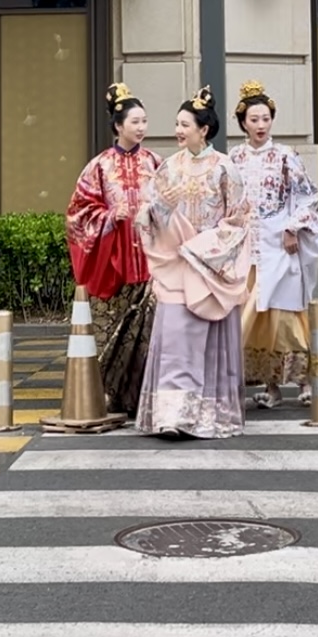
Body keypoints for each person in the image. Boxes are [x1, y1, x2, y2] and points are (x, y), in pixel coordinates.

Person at [135, 85, 251, 440]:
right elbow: (147, 214)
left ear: (204, 129)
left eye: (185, 125)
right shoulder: (169, 167)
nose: (178, 131)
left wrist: (205, 248)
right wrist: (160, 208)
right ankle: (171, 416)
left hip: (209, 265)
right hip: (176, 264)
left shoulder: (225, 168)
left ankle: (206, 415)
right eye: (177, 124)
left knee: (208, 343)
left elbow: (239, 220)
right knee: (174, 338)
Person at [65, 83, 161, 416]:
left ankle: (142, 393)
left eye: (144, 121)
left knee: (147, 330)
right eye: (135, 122)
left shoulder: (156, 163)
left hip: (150, 260)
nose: (141, 127)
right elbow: (77, 213)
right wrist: (107, 216)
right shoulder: (99, 166)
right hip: (114, 261)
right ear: (118, 125)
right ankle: (108, 391)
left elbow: (171, 205)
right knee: (113, 329)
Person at [229, 79, 318, 408]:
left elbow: (308, 197)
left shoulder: (285, 156)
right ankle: (270, 387)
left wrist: (293, 228)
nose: (261, 125)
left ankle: (304, 381)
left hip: (279, 245)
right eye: (254, 119)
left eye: (266, 119)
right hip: (247, 247)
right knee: (254, 317)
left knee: (286, 314)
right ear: (243, 122)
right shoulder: (234, 158)